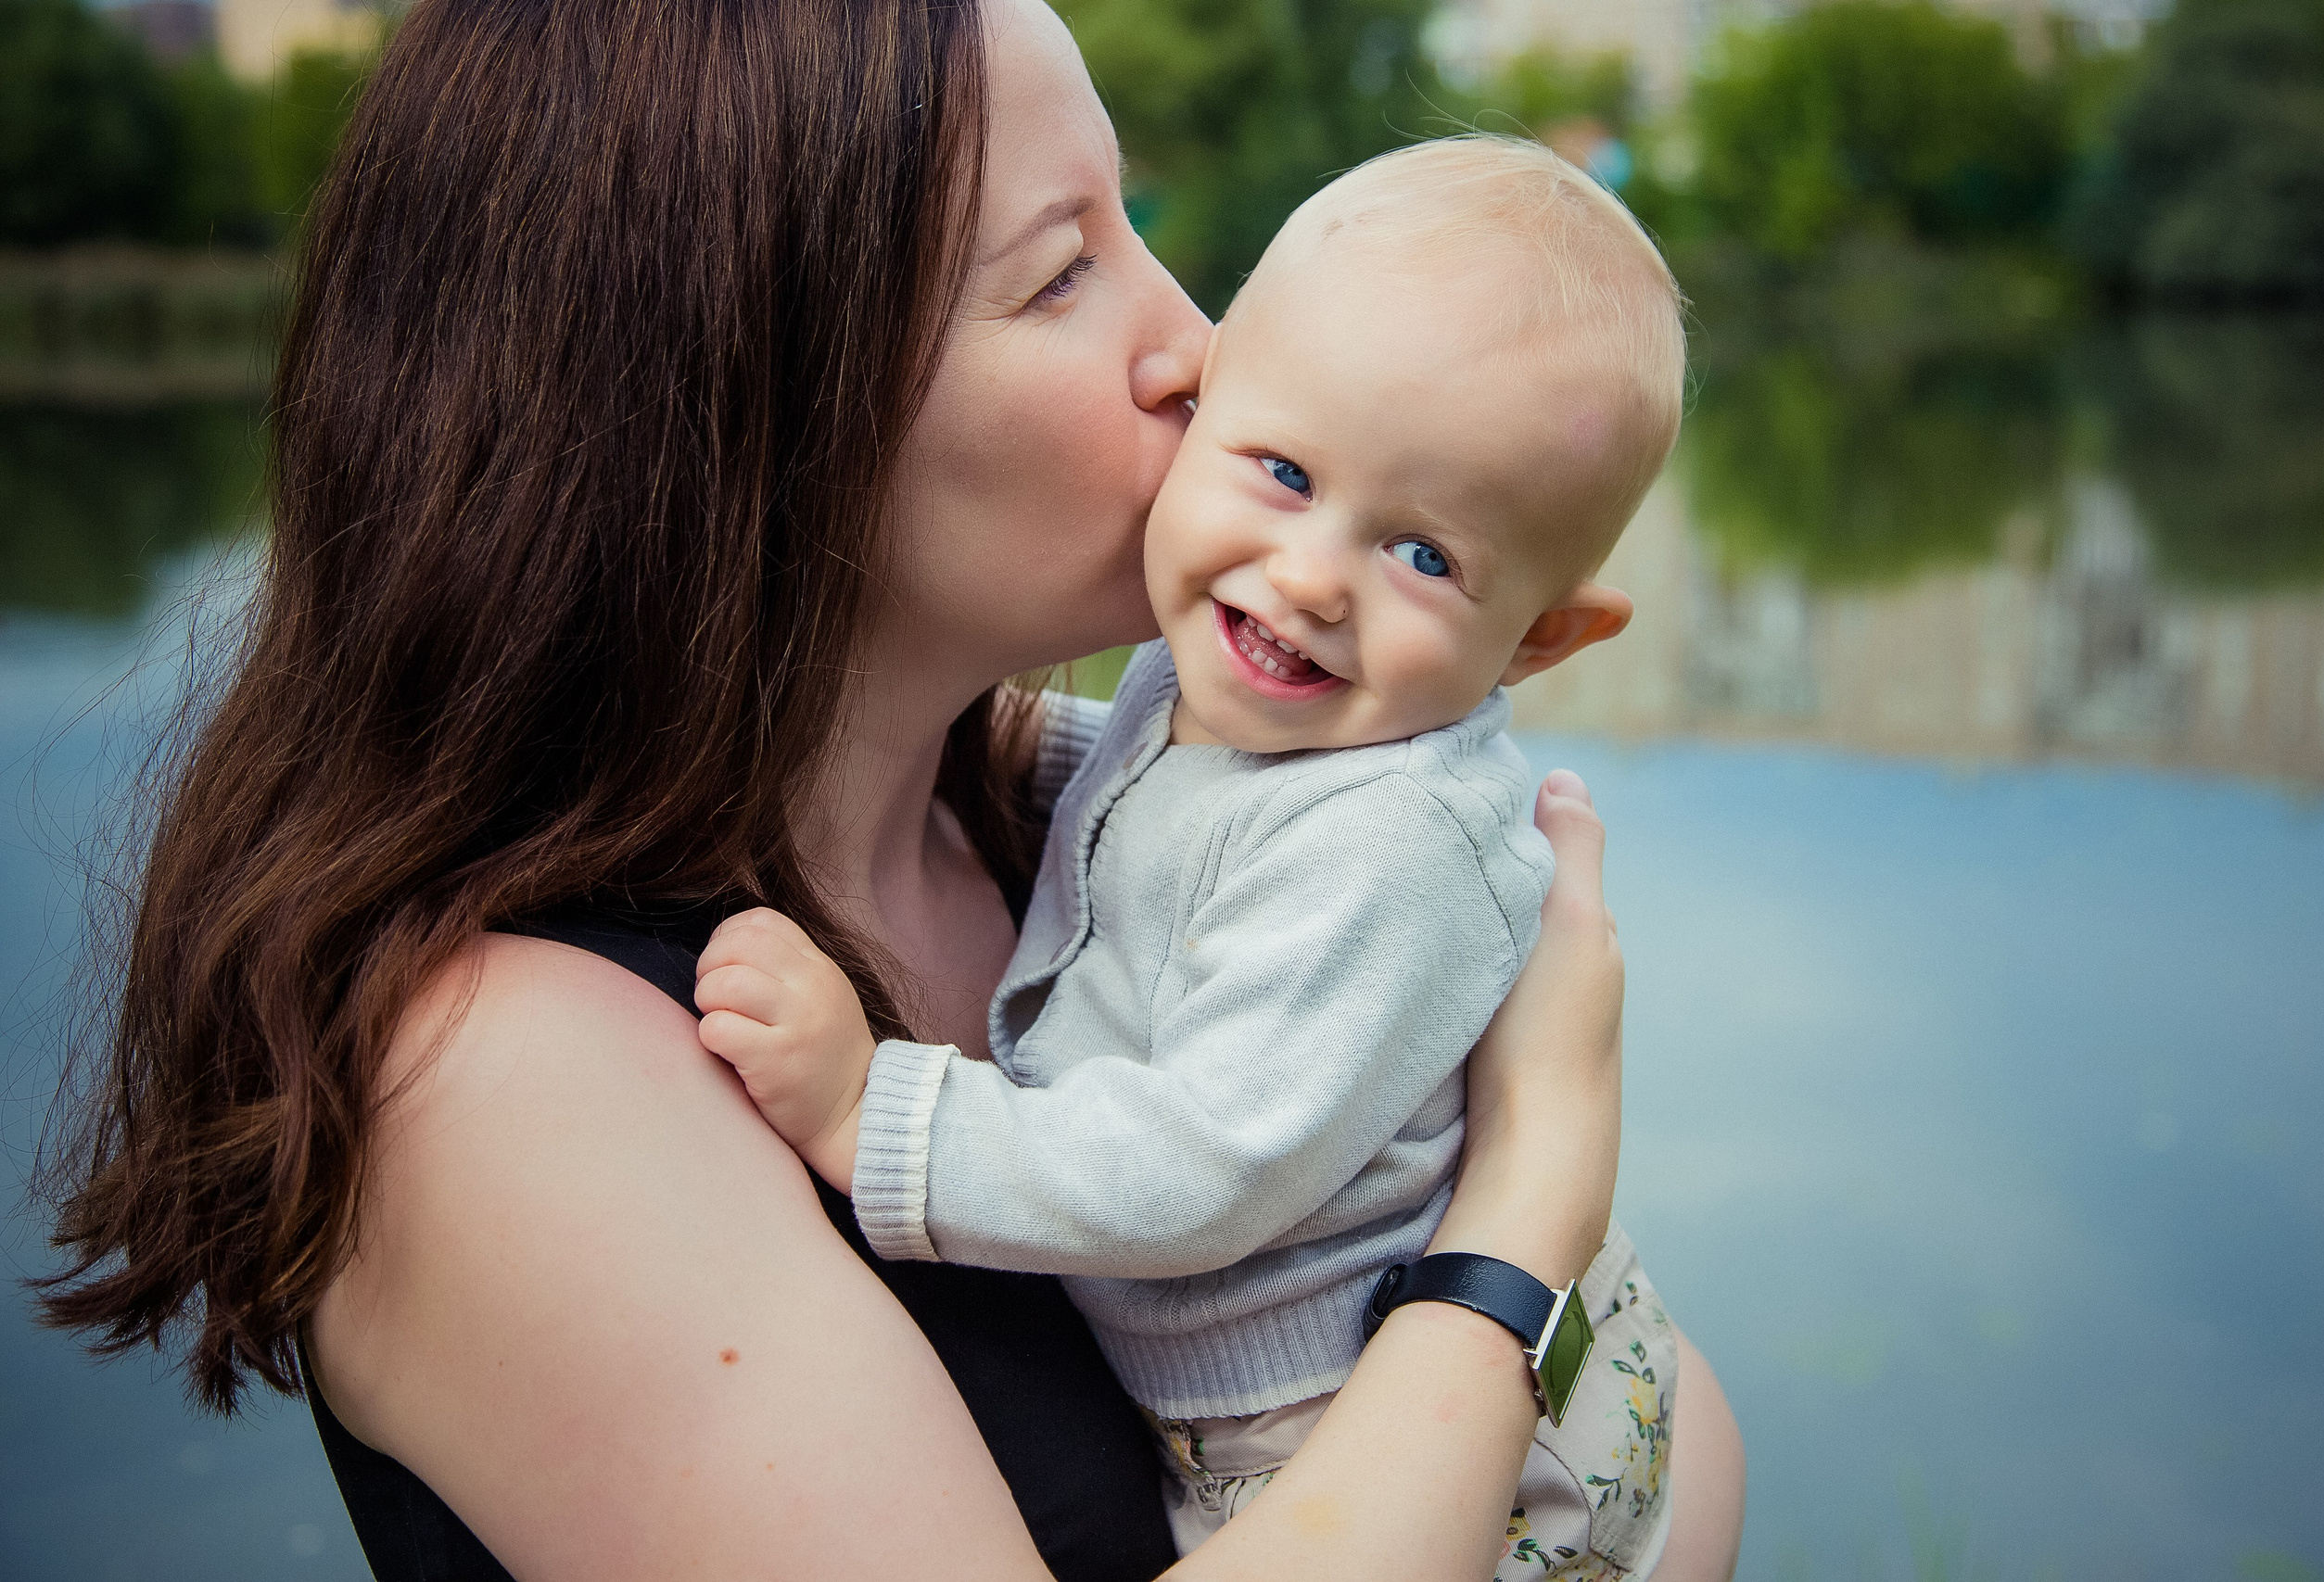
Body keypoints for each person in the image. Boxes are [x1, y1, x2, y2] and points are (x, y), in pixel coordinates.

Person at [35, 0, 1746, 1576]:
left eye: (1135, 225)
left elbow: (1666, 1459)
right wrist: (1528, 1204)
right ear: (745, 397)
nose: (1197, 343)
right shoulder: (510, 1082)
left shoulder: (1074, 810)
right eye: (1066, 272)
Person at [698, 134, 1690, 1578]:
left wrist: (877, 1112)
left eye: (1424, 556)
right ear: (1210, 403)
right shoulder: (1244, 696)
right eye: (1284, 472)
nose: (1311, 577)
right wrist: (965, 740)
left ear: (1542, 637)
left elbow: (1201, 1165)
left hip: (1345, 1428)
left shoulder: (1392, 846)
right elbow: (1161, 804)